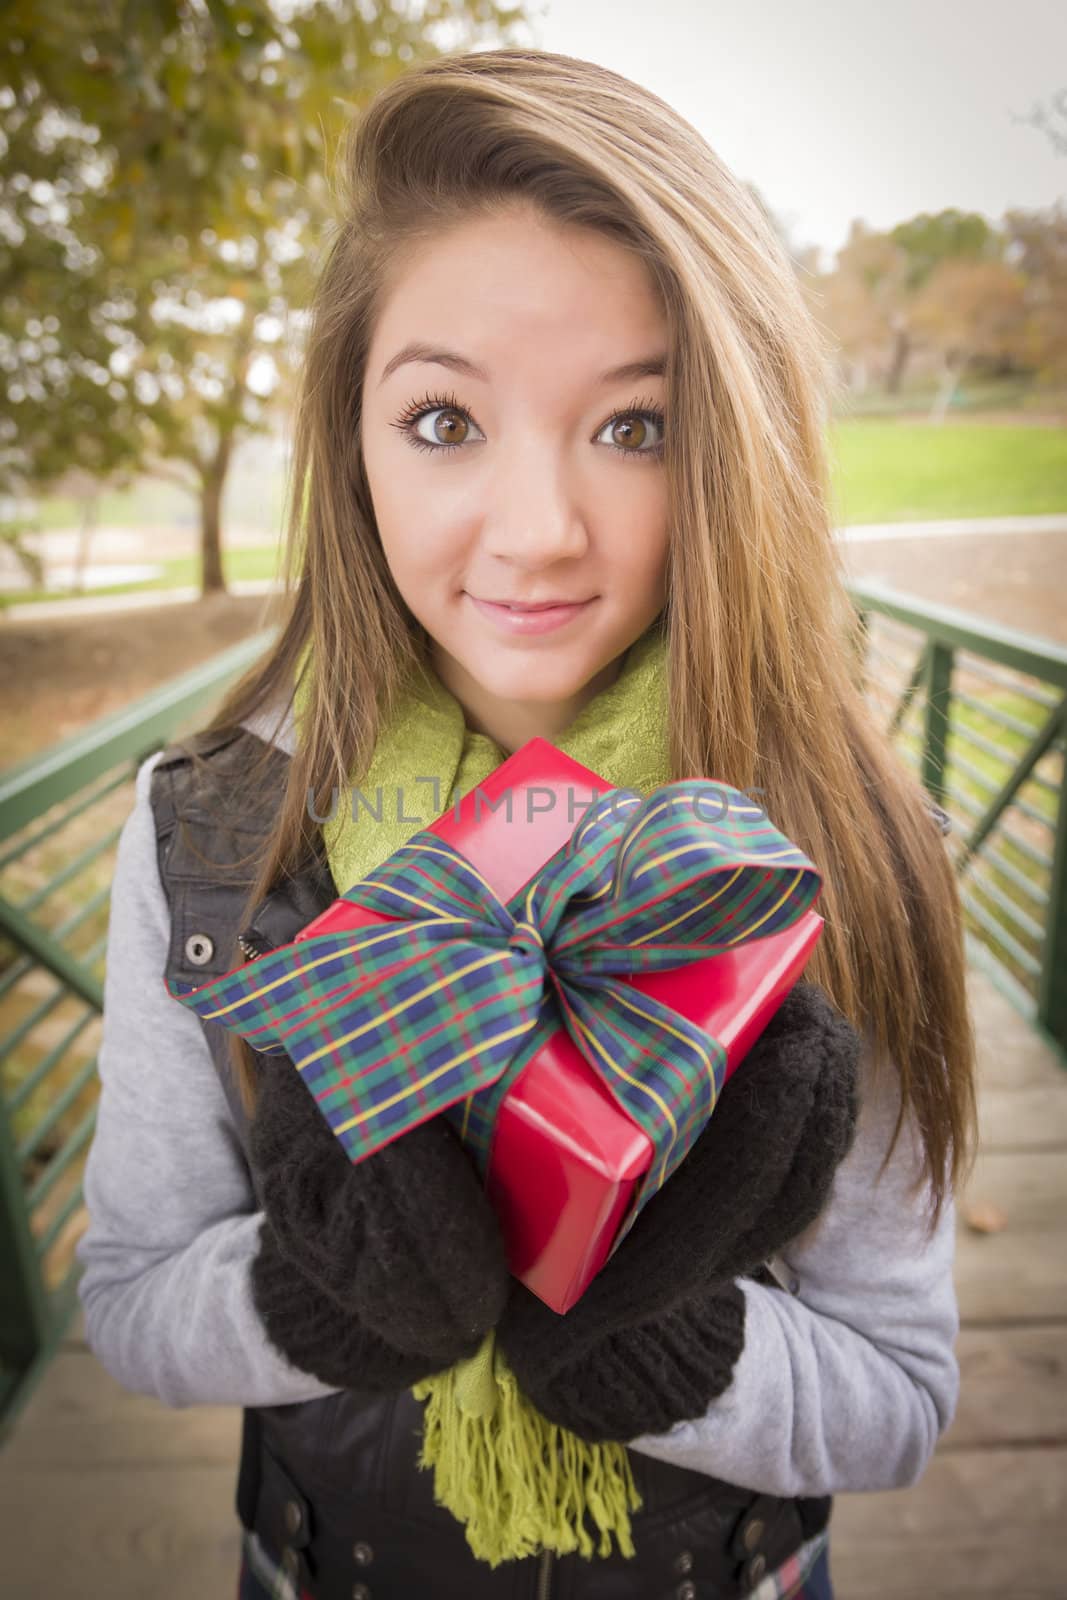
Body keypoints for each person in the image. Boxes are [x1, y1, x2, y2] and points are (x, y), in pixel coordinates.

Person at [76, 46, 978, 1600]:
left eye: (634, 428)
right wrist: (324, 1298)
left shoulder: (844, 845)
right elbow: (137, 1297)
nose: (540, 531)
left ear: (730, 451)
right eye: (444, 422)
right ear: (350, 445)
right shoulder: (206, 840)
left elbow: (898, 1396)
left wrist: (666, 1346)